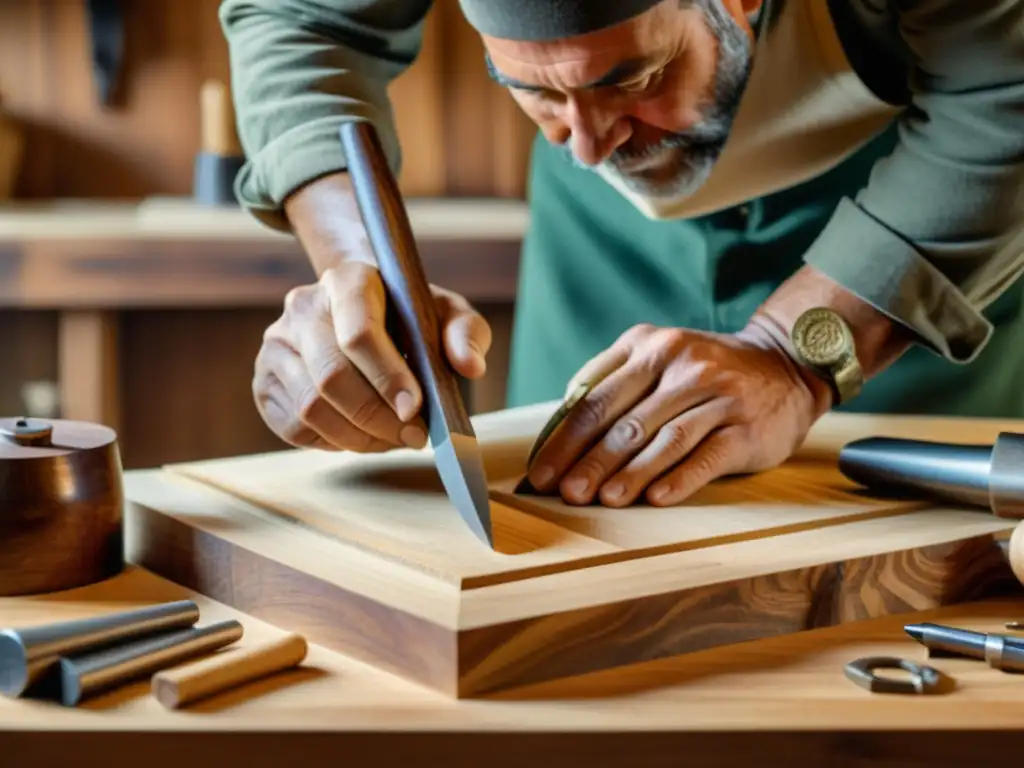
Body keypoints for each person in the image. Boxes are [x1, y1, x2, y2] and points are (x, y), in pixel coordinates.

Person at [219, 0, 1024, 508]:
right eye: (534, 92)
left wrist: (791, 357)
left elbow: (1006, 99)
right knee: (566, 507)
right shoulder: (593, 151)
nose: (592, 145)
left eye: (634, 79)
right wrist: (366, 271)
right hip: (602, 244)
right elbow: (300, 22)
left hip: (913, 214)